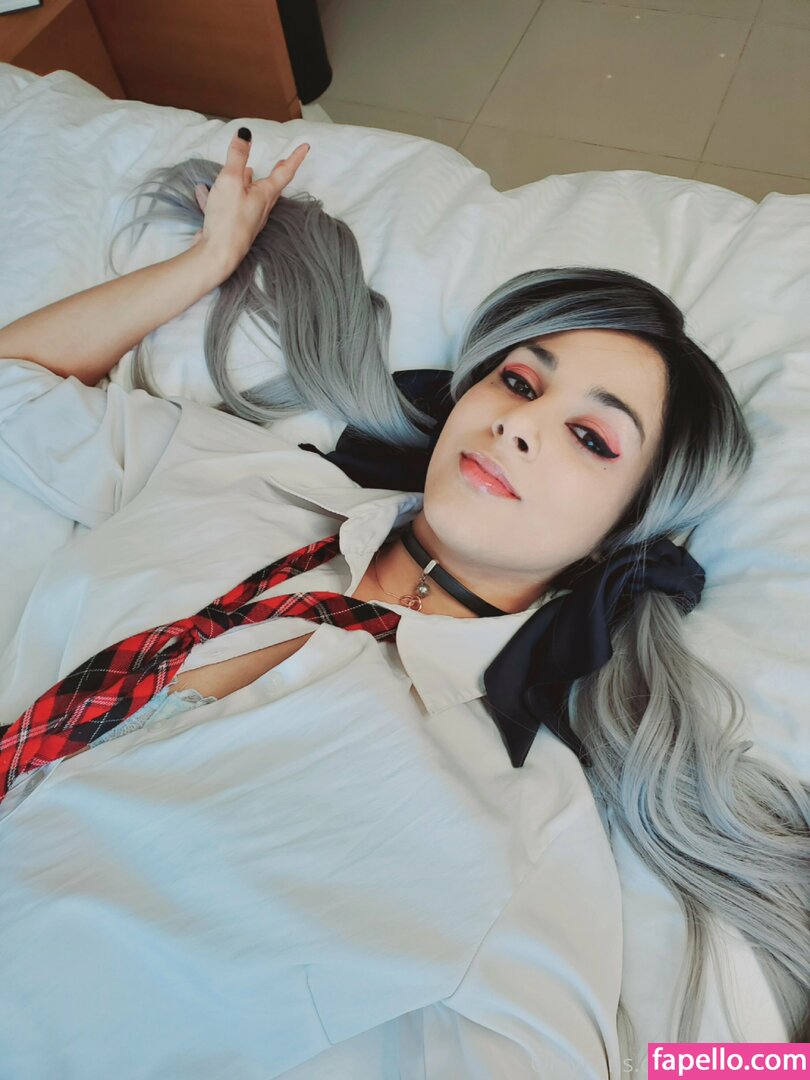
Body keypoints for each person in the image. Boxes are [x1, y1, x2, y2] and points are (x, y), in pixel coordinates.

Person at [0, 129, 807, 1079]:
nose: (519, 424)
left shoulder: (513, 811)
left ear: (621, 530)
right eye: (518, 380)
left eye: (591, 438)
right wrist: (206, 261)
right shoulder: (240, 474)